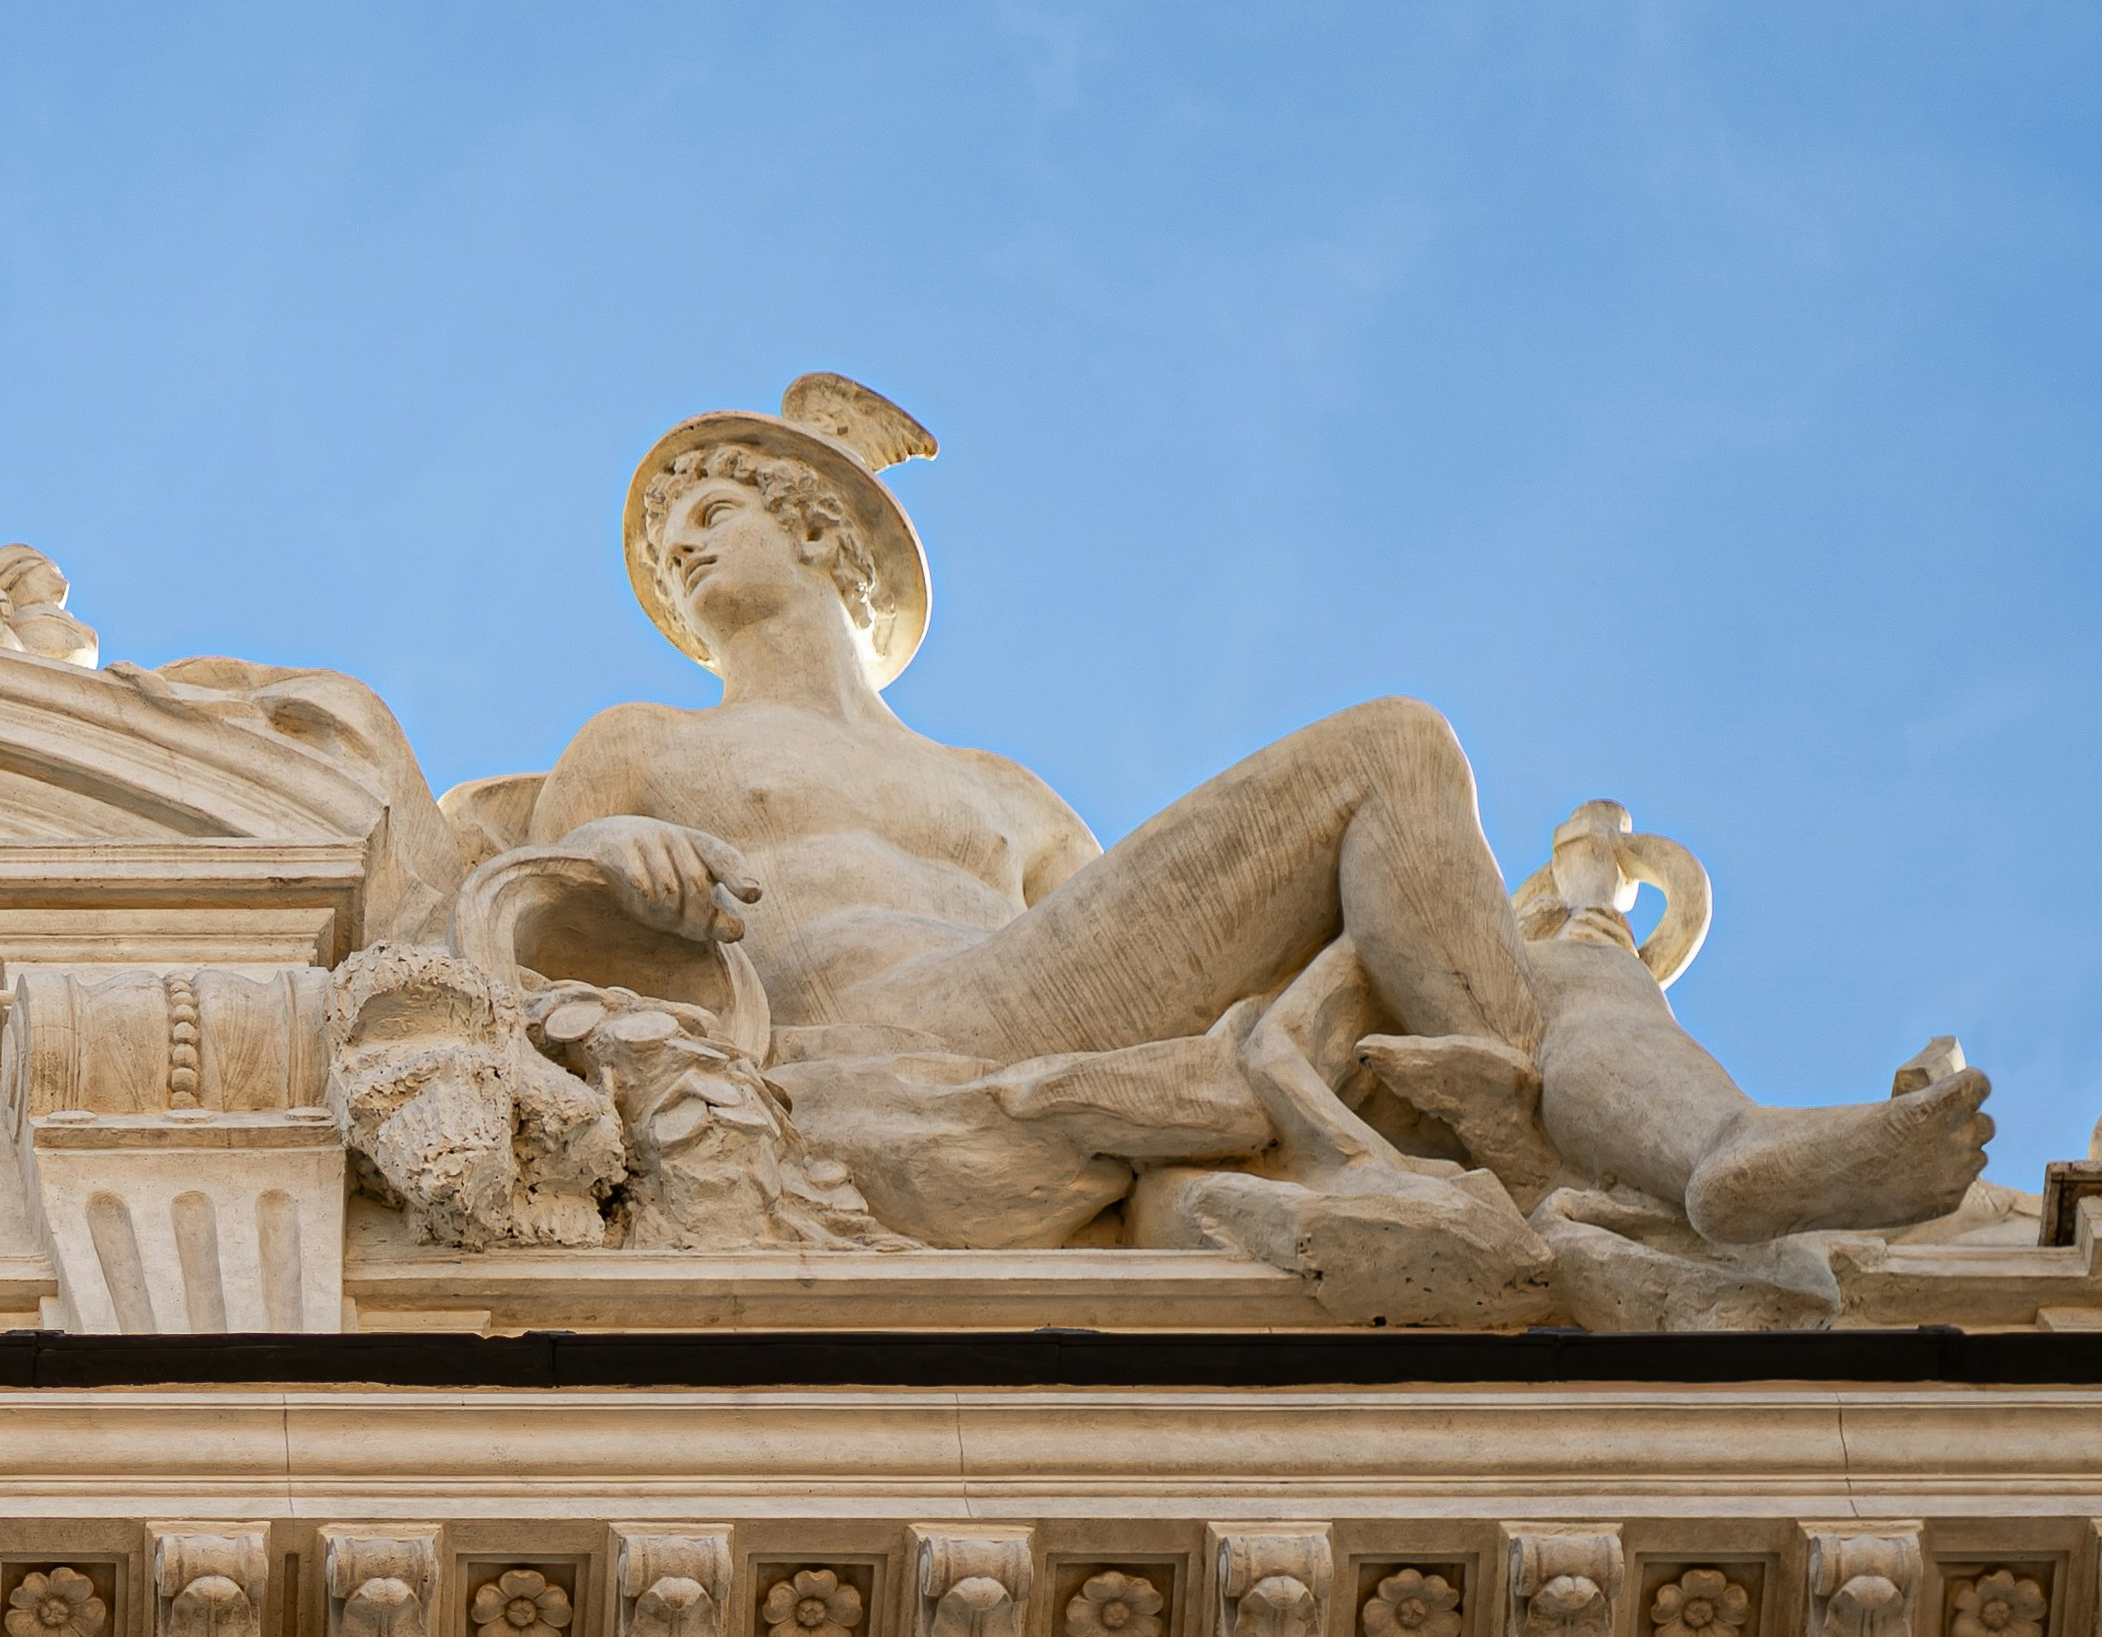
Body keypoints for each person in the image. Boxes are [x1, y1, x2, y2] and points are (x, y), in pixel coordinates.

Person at [516, 388, 1985, 1254]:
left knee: (1577, 960)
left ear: (821, 535)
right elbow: (513, 945)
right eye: (669, 536)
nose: (686, 541)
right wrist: (609, 862)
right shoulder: (642, 741)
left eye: (720, 511)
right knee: (1395, 747)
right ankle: (1559, 1155)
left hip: (1054, 1006)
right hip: (883, 1031)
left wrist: (1478, 927)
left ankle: (1718, 1154)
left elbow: (1188, 970)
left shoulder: (1008, 797)